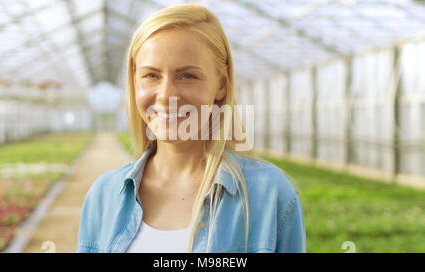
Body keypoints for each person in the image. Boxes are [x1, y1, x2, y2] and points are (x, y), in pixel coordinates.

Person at [76, 3, 306, 253]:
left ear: (221, 85)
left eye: (187, 76)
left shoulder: (269, 196)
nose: (166, 95)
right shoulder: (104, 195)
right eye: (151, 75)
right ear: (134, 83)